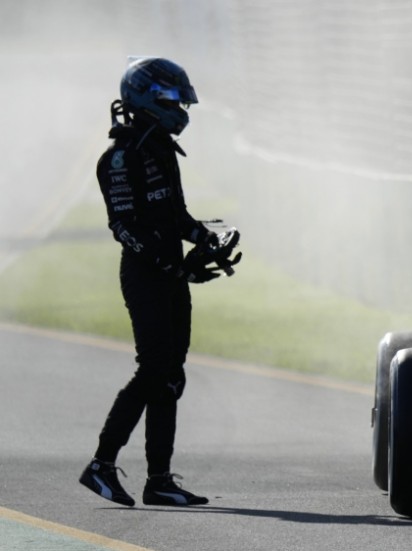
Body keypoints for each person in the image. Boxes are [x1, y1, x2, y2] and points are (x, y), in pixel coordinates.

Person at [79, 57, 240, 507]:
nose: (181, 107)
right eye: (173, 97)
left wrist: (205, 237)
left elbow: (176, 218)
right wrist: (176, 268)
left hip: (170, 275)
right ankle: (101, 466)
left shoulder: (161, 149)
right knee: (153, 370)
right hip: (145, 278)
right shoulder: (117, 158)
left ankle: (159, 479)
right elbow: (124, 228)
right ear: (147, 98)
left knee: (169, 376)